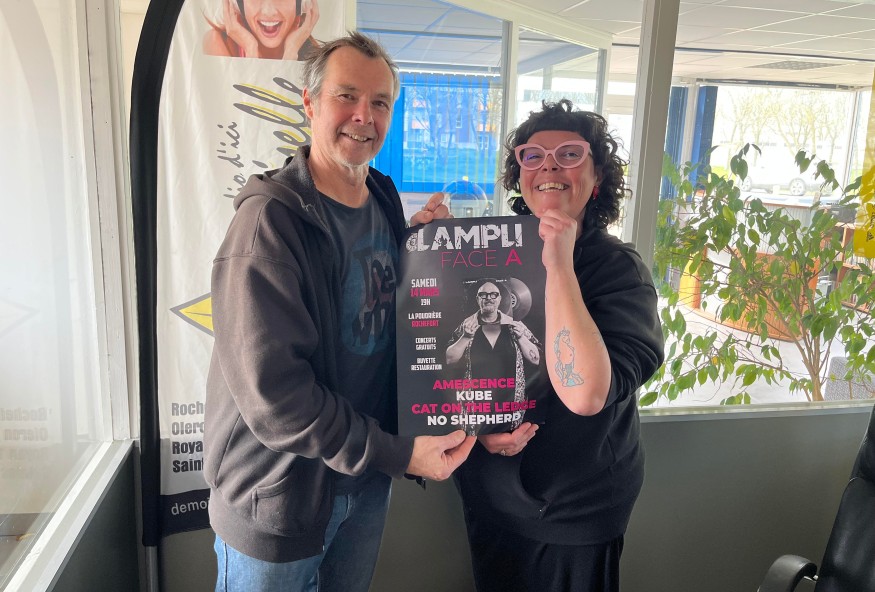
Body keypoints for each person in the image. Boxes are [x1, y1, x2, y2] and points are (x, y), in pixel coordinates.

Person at [203, 32, 474, 592]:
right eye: (346, 96)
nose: (363, 116)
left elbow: (374, 307)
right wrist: (399, 452)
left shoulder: (382, 196)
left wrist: (423, 248)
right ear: (310, 103)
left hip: (363, 485)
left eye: (380, 102)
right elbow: (278, 400)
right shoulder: (268, 225)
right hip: (280, 501)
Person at [453, 99, 665, 592]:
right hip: (489, 494)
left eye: (570, 154)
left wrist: (560, 263)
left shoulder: (618, 271)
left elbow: (585, 393)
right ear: (520, 177)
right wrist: (477, 432)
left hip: (573, 512)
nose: (549, 166)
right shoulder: (494, 256)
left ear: (597, 178)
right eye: (533, 156)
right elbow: (457, 371)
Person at [445, 279, 541, 435]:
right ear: (477, 299)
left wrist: (521, 337)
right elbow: (450, 359)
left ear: (500, 298)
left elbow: (536, 360)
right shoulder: (466, 326)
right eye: (483, 295)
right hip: (475, 410)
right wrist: (466, 337)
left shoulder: (515, 325)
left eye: (493, 294)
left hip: (511, 410)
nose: (488, 298)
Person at [203, 0, 320, 60]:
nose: (268, 12)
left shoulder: (315, 57)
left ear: (301, 4)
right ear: (237, 4)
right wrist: (251, 49)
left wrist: (290, 54)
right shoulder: (218, 42)